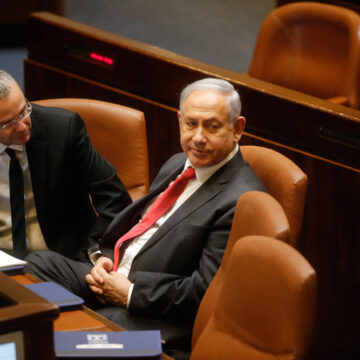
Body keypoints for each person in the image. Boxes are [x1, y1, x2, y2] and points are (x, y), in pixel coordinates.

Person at [25, 78, 266, 359]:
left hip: (158, 312)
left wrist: (129, 294)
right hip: (116, 279)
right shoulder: (178, 163)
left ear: (237, 129)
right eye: (191, 124)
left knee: (82, 340)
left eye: (212, 126)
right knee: (37, 266)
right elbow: (140, 229)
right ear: (179, 121)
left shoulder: (241, 200)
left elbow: (204, 292)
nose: (198, 137)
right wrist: (105, 258)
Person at [0, 70, 132, 260]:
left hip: (62, 261)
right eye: (8, 123)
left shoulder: (63, 129)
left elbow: (116, 201)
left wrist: (95, 253)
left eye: (23, 111)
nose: (22, 126)